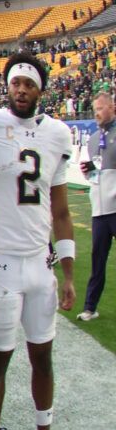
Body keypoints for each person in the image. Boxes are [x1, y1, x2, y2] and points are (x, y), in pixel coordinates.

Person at [0, 55, 75, 430]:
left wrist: (69, 275)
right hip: (2, 259)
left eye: (28, 84)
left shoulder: (57, 134)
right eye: (15, 82)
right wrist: (0, 209)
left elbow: (61, 209)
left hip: (40, 263)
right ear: (8, 86)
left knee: (43, 355)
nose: (20, 89)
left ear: (41, 90)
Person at [78, 89, 116, 321]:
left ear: (112, 108)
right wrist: (88, 173)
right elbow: (96, 176)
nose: (97, 114)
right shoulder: (92, 140)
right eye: (94, 110)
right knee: (97, 261)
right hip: (100, 212)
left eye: (100, 109)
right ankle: (90, 308)